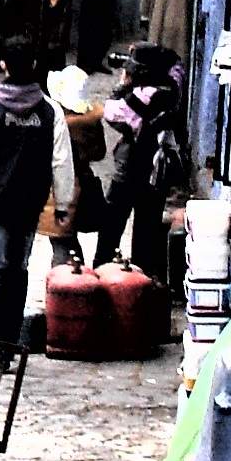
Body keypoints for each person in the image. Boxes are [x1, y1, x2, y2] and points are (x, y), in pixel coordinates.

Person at [0, 38, 74, 365]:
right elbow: (61, 161)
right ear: (35, 65)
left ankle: (0, 347)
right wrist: (63, 203)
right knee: (18, 269)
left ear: (3, 66)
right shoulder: (50, 110)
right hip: (29, 204)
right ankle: (9, 341)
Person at [94, 43, 182, 282]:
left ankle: (102, 270)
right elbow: (176, 66)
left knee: (113, 222)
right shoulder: (171, 86)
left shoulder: (142, 97)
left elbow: (111, 113)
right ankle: (143, 276)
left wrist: (122, 86)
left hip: (133, 165)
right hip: (158, 169)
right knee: (147, 224)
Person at [41, 65, 108, 267]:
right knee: (69, 241)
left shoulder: (59, 125)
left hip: (62, 186)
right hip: (84, 182)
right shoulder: (91, 123)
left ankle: (69, 281)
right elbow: (100, 153)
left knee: (62, 243)